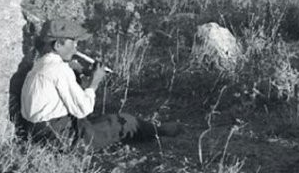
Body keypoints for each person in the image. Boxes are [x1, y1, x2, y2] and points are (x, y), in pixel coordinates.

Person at [20, 18, 180, 150]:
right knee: (122, 122)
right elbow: (83, 109)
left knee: (104, 120)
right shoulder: (59, 69)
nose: (76, 47)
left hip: (36, 131)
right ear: (58, 45)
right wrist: (94, 82)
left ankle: (151, 131)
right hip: (58, 136)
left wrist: (79, 74)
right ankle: (159, 132)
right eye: (73, 42)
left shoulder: (41, 64)